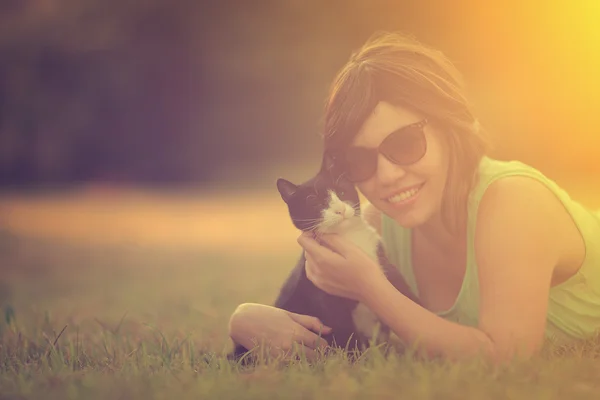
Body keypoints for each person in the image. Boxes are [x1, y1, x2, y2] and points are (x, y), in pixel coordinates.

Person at [227, 31, 600, 364]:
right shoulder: (375, 226)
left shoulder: (514, 202)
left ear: (450, 125)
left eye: (405, 143)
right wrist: (245, 318)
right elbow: (303, 302)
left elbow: (506, 357)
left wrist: (371, 286)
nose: (388, 175)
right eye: (360, 159)